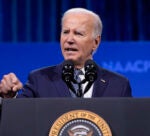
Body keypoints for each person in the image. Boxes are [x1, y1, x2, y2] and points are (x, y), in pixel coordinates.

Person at [0, 8, 132, 98]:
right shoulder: (39, 79)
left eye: (78, 33)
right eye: (65, 32)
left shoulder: (118, 85)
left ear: (95, 42)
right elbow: (20, 120)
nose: (69, 40)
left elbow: (128, 128)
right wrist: (9, 98)